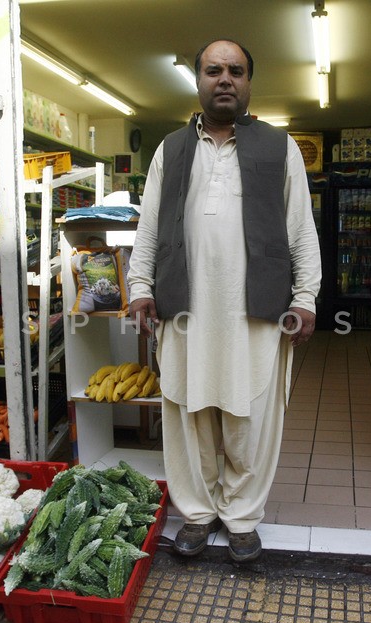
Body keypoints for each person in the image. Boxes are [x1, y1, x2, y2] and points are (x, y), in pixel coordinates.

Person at [126, 39, 321, 562]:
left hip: (256, 311)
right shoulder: (169, 149)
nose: (225, 79)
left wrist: (305, 297)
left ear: (249, 82)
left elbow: (301, 229)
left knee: (249, 418)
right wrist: (140, 287)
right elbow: (149, 227)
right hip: (184, 308)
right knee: (188, 415)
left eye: (235, 70)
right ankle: (195, 514)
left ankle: (241, 518)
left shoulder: (280, 148)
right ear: (198, 81)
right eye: (214, 70)